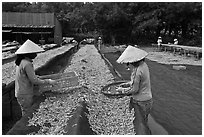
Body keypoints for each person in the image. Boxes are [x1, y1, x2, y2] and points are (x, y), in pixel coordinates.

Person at [116, 45, 153, 135]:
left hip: (140, 101)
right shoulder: (144, 65)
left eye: (129, 62)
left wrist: (122, 91)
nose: (129, 64)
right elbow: (141, 82)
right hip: (148, 100)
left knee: (139, 122)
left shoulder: (137, 71)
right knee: (144, 122)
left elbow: (135, 90)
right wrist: (128, 83)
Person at [15, 39, 56, 116]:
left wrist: (36, 77)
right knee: (27, 113)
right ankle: (26, 127)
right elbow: (34, 81)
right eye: (33, 52)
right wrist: (48, 81)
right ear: (27, 53)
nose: (35, 54)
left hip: (21, 91)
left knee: (25, 111)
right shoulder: (27, 64)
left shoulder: (22, 61)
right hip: (25, 93)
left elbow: (25, 76)